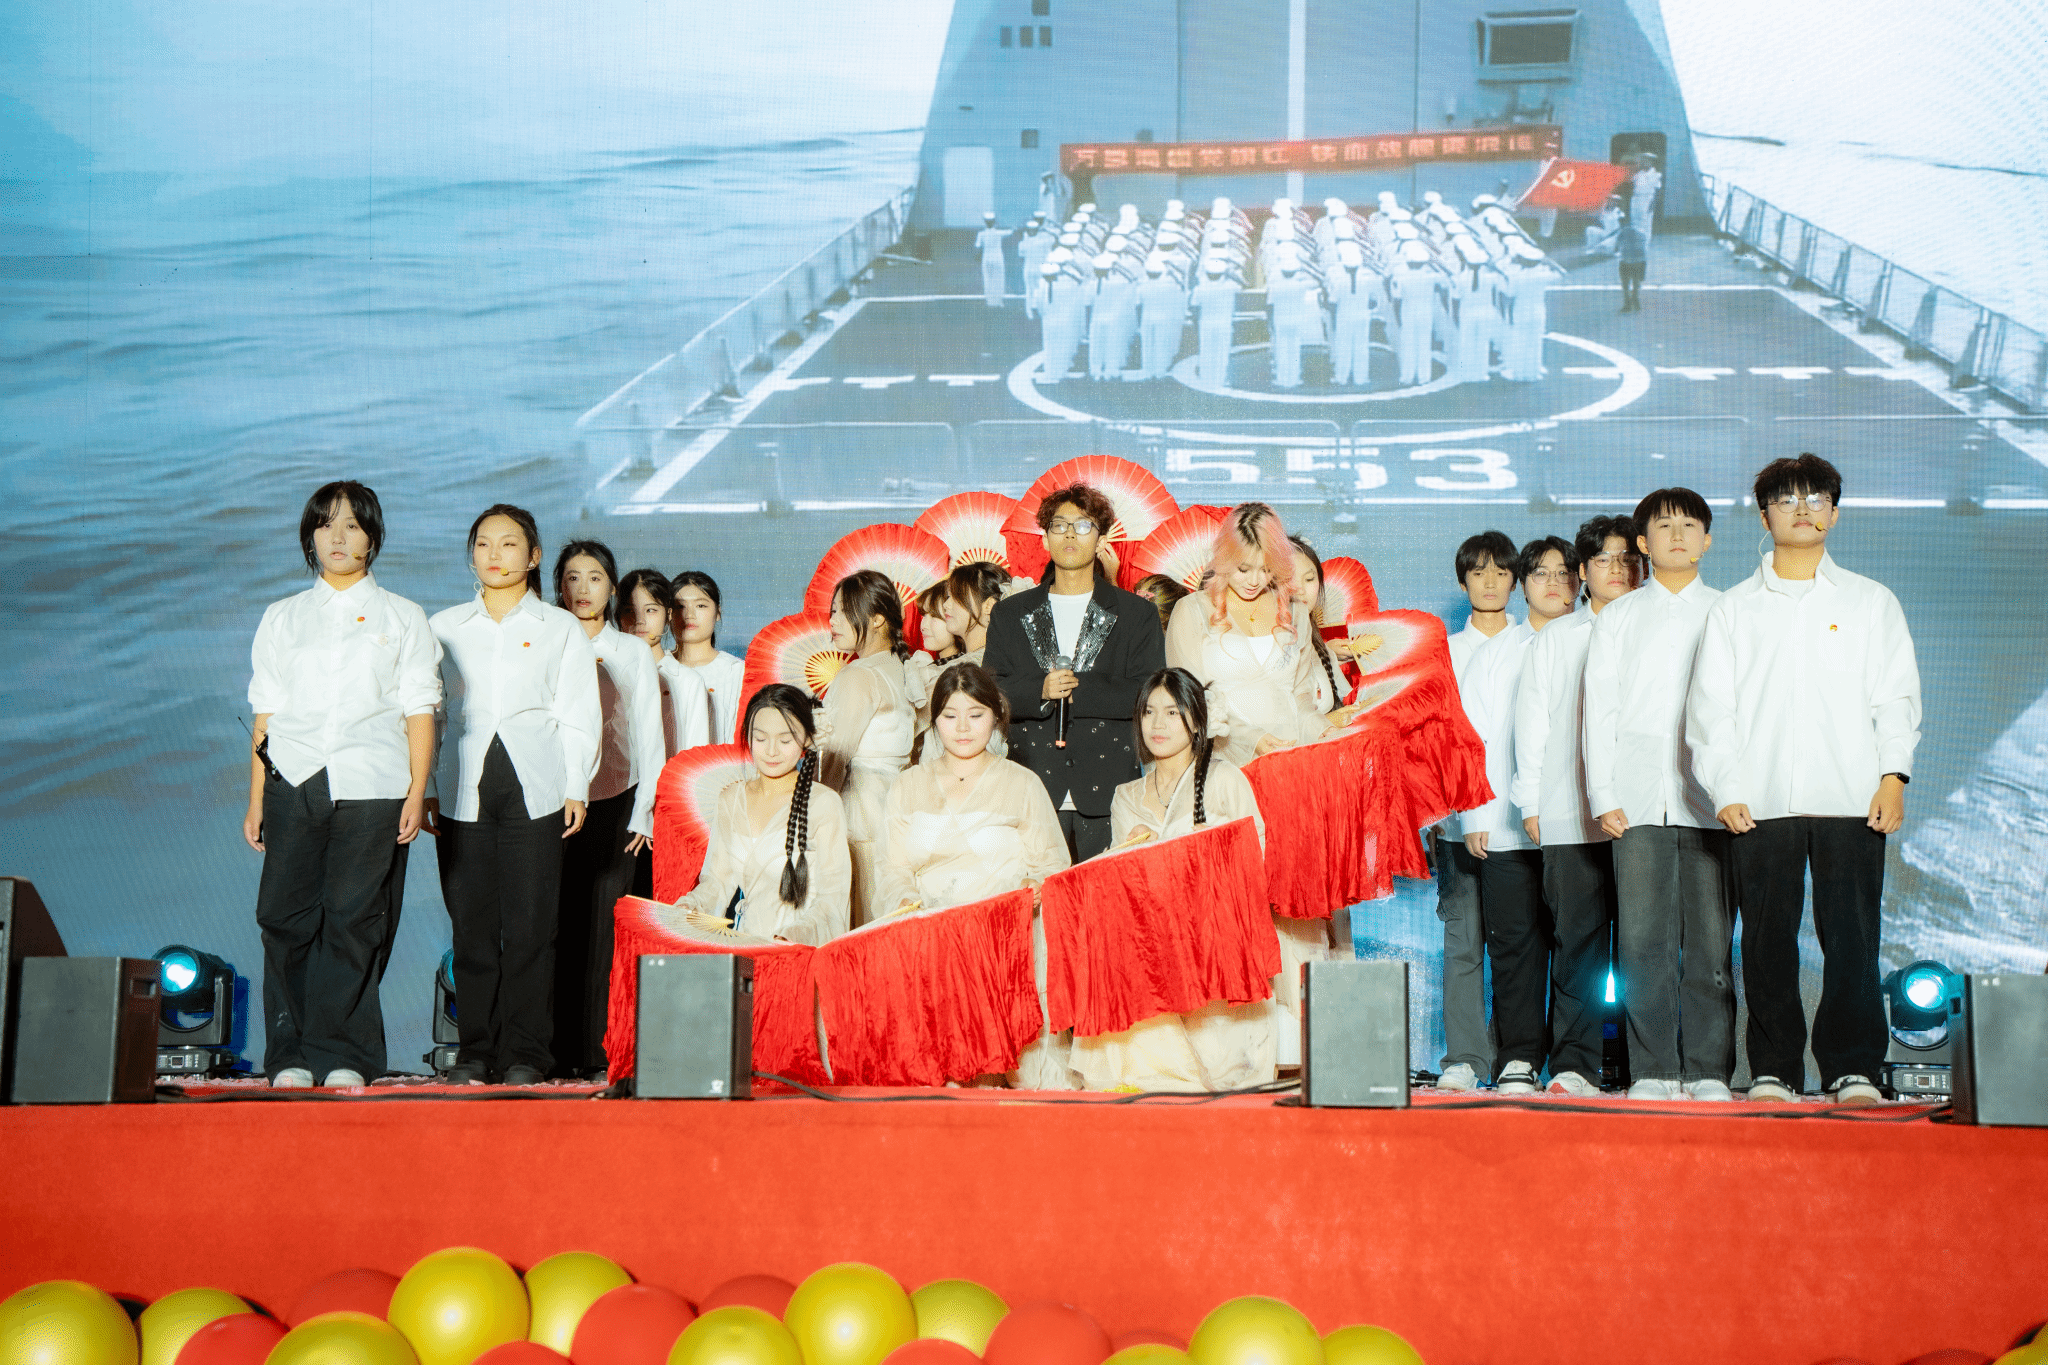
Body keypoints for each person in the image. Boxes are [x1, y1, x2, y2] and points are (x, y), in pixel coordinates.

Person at [1687, 454, 1921, 1106]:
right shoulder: (1733, 609)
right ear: (1764, 516)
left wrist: (1893, 776)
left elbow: (1895, 698)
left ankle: (1853, 1067)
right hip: (1759, 799)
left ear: (1834, 513)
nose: (1802, 509)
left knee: (1852, 939)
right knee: (1766, 941)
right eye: (1786, 499)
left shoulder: (1871, 601)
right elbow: (1711, 711)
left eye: (1815, 498)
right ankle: (1775, 1068)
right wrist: (1726, 787)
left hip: (1853, 795)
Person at [245, 481, 440, 1089]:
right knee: (284, 917)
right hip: (293, 777)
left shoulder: (403, 616)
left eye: (352, 525)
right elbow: (265, 713)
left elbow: (420, 710)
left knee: (355, 921)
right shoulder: (282, 617)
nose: (337, 536)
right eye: (325, 523)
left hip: (373, 781)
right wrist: (256, 800)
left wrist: (416, 793)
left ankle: (344, 1056)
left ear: (372, 539)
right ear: (309, 536)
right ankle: (289, 1055)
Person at [1165, 505, 1349, 1060]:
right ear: (1222, 561)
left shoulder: (1294, 609)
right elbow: (1191, 701)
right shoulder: (1193, 612)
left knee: (1298, 906)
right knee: (1237, 906)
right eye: (1241, 568)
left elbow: (1304, 699)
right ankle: (1239, 1048)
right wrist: (1249, 742)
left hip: (1295, 773)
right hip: (1225, 774)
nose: (1252, 580)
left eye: (1264, 568)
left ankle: (1305, 1045)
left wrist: (1320, 734)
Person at [429, 504, 602, 1085]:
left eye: (508, 544)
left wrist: (576, 785)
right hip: (463, 784)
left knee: (532, 928)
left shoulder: (559, 627)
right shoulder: (443, 627)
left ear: (533, 556)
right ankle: (476, 1052)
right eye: (483, 544)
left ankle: (527, 1054)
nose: (494, 555)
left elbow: (578, 712)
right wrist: (426, 786)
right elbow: (430, 716)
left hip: (538, 781)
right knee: (472, 927)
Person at [1582, 488, 1733, 1101]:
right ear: (1643, 542)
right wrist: (1603, 792)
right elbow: (1600, 709)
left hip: (1712, 800)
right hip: (1637, 795)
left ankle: (1707, 1070)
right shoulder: (1618, 616)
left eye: (1689, 525)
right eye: (1663, 526)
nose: (1676, 535)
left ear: (1707, 540)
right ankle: (1653, 1070)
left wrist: (1736, 788)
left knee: (1710, 944)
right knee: (1643, 942)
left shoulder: (1728, 610)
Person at [1068, 668, 1276, 1092]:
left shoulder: (1223, 779)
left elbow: (1255, 861)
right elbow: (1122, 886)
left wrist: (1205, 855)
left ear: (1196, 720)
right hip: (1153, 942)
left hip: (1212, 940)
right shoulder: (1126, 795)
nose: (1157, 724)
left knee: (1228, 1079)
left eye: (1171, 712)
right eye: (1148, 712)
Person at [876, 664, 1073, 1087]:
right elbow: (892, 868)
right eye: (950, 715)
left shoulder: (1023, 783)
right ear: (934, 721)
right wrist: (906, 904)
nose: (962, 728)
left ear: (996, 715)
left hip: (1004, 945)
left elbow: (1053, 866)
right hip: (932, 943)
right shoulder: (907, 786)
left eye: (975, 714)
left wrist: (1036, 888)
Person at [1509, 515, 1638, 1096]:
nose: (1617, 569)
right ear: (1582, 571)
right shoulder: (1557, 638)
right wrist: (1531, 801)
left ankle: (1644, 1067)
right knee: (1577, 947)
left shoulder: (1654, 630)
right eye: (1603, 559)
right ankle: (1575, 1066)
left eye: (1627, 558)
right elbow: (1533, 723)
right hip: (1568, 814)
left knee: (1643, 950)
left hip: (1644, 818)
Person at [986, 482, 1167, 864]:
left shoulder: (1136, 614)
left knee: (1106, 897)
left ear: (1101, 539)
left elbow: (1148, 693)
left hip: (1109, 787)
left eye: (1083, 525)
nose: (1070, 534)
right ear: (1045, 537)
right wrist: (1041, 689)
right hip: (1031, 784)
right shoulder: (1010, 613)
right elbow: (992, 692)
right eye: (1059, 525)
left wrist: (1078, 689)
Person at [1456, 535, 1578, 1095]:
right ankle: (1519, 1058)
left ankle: (1578, 1063)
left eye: (1563, 572)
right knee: (1514, 948)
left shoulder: (1592, 640)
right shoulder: (1497, 652)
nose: (1553, 583)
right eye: (1540, 573)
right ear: (1523, 584)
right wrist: (1473, 815)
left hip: (1579, 825)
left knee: (1578, 948)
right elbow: (1473, 740)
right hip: (1505, 825)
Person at [551, 539, 666, 1078]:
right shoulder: (548, 639)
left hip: (618, 800)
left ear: (612, 588)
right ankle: (553, 1052)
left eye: (594, 577)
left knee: (604, 930)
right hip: (552, 802)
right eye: (572, 578)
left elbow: (649, 736)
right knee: (556, 926)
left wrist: (644, 812)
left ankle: (599, 1053)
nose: (582, 589)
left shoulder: (631, 651)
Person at [663, 684, 851, 946]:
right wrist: (692, 905)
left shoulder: (823, 803)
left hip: (799, 947)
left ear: (807, 739)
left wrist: (795, 934)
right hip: (747, 944)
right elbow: (717, 881)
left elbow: (833, 898)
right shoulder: (731, 800)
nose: (771, 751)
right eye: (760, 739)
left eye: (785, 740)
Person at [1432, 531, 1520, 1092]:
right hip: (1454, 819)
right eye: (1478, 572)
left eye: (1501, 572)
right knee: (1463, 941)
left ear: (1515, 580)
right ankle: (1464, 1058)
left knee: (1518, 946)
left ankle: (1516, 1056)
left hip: (1518, 820)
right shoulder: (1441, 653)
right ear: (1462, 582)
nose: (1490, 582)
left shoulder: (1534, 642)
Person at [817, 568, 915, 926]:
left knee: (859, 920)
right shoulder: (906, 668)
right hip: (900, 807)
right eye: (832, 611)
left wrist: (813, 817)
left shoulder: (858, 675)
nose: (832, 621)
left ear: (876, 618)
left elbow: (834, 759)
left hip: (859, 812)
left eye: (843, 611)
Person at [668, 571, 743, 746]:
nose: (689, 615)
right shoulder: (655, 666)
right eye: (680, 606)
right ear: (668, 613)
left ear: (718, 613)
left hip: (717, 762)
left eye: (701, 605)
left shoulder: (736, 672)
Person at [976, 212, 1011, 308]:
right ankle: (998, 301)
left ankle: (990, 301)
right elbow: (1011, 231)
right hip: (998, 259)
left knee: (988, 280)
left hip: (986, 259)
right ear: (994, 221)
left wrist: (978, 257)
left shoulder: (981, 234)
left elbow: (978, 248)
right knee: (999, 280)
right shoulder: (999, 233)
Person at [1616, 222, 1647, 313]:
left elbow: (1616, 248)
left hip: (1625, 261)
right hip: (1639, 261)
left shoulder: (1621, 233)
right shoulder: (1642, 233)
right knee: (1636, 282)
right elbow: (1644, 249)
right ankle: (1635, 300)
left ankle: (1627, 304)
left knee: (1625, 285)